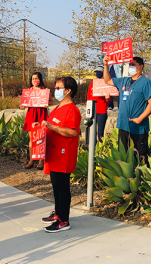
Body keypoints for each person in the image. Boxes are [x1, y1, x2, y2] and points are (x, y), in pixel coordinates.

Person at [34, 77, 81, 233]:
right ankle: (57, 213)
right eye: (56, 88)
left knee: (62, 187)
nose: (56, 90)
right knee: (55, 186)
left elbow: (73, 132)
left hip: (63, 154)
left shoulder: (71, 109)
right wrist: (40, 126)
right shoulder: (58, 107)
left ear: (68, 91)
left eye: (59, 88)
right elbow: (50, 125)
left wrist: (52, 127)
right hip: (53, 153)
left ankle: (64, 220)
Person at [103, 56, 151, 164]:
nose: (130, 67)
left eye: (133, 65)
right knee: (123, 156)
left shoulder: (146, 83)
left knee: (139, 157)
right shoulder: (124, 81)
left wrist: (140, 118)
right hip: (123, 125)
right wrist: (106, 65)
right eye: (129, 65)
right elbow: (108, 80)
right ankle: (126, 179)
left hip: (138, 127)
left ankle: (140, 179)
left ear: (140, 67)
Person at [23, 72, 53, 170]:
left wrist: (46, 104)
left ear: (40, 79)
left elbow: (51, 101)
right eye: (33, 79)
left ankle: (41, 161)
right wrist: (23, 104)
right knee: (31, 138)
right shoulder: (29, 90)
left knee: (41, 137)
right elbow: (24, 102)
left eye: (36, 78)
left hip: (41, 113)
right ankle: (32, 160)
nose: (34, 80)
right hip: (31, 113)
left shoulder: (45, 90)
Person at [87, 66, 111, 143]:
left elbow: (109, 99)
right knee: (91, 130)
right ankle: (91, 147)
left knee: (100, 132)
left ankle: (100, 149)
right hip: (92, 111)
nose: (98, 74)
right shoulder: (92, 83)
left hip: (101, 111)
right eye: (97, 72)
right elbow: (89, 96)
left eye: (99, 72)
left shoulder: (107, 83)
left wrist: (107, 99)